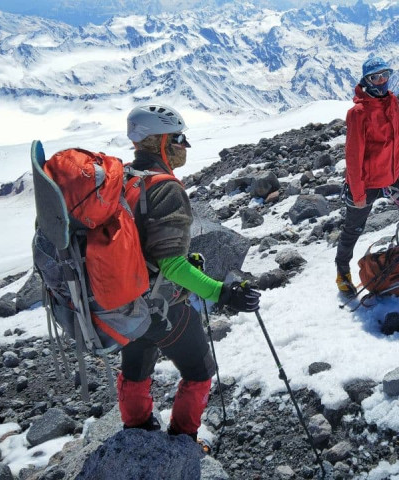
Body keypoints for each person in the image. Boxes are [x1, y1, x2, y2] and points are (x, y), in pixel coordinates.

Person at [118, 104, 261, 450]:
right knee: (199, 371)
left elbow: (141, 243)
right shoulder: (165, 188)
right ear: (161, 141)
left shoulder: (123, 177)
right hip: (161, 305)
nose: (185, 145)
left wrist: (180, 259)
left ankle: (137, 431)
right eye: (179, 138)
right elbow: (171, 267)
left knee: (136, 369)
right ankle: (183, 441)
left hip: (123, 300)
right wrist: (223, 293)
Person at [335, 57, 399, 295]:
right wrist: (357, 192)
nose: (381, 81)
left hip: (391, 179)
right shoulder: (358, 113)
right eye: (375, 77)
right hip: (366, 184)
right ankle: (342, 273)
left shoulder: (392, 102)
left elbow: (398, 140)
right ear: (365, 81)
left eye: (385, 75)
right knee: (353, 230)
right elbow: (354, 156)